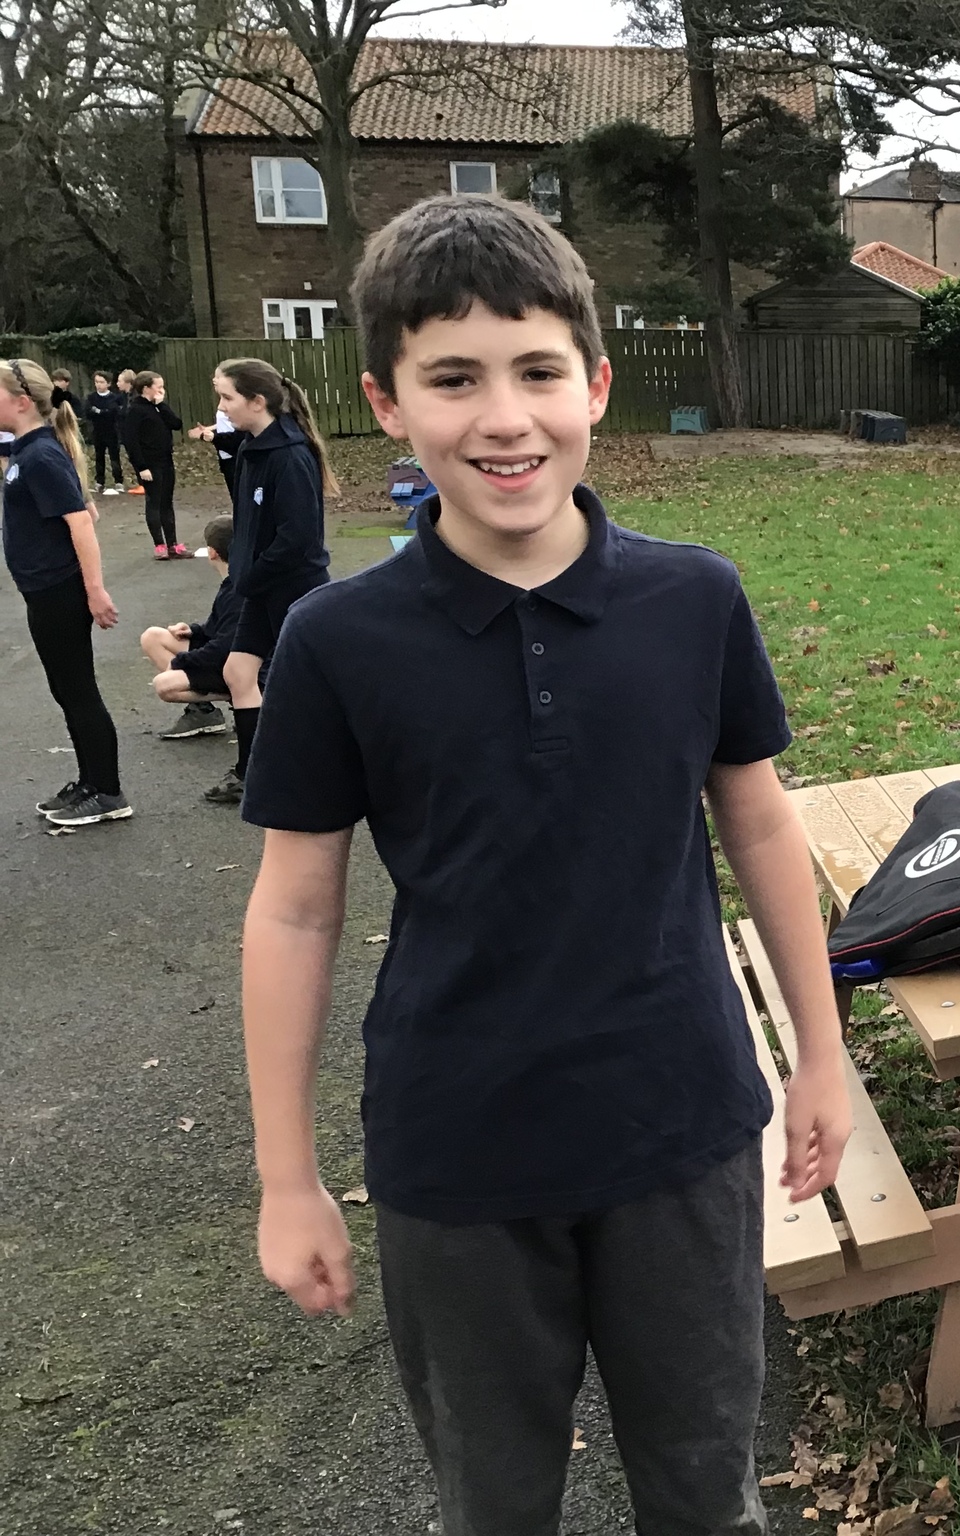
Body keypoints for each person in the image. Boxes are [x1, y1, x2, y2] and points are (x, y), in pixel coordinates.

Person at [238, 192, 851, 1536]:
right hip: (455, 1156)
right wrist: (287, 1176)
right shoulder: (337, 642)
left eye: (537, 371)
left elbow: (758, 824)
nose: (505, 418)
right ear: (388, 403)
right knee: (494, 1504)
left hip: (679, 1130)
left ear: (596, 385)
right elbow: (293, 911)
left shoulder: (695, 599)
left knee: (705, 1492)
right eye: (453, 378)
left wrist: (822, 1050)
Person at [0, 356, 130, 825]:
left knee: (77, 690)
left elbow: (81, 524)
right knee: (66, 689)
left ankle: (108, 792)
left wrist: (94, 591)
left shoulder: (40, 455)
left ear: (21, 402)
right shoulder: (27, 450)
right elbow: (85, 509)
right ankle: (90, 781)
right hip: (42, 591)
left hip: (59, 590)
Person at [208, 357, 335, 806]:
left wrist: (250, 574)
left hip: (293, 588)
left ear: (257, 401)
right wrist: (245, 574)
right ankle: (252, 774)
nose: (221, 408)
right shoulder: (251, 449)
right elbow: (248, 526)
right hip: (261, 587)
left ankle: (325, 775)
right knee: (237, 672)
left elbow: (298, 539)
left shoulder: (291, 455)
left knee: (304, 687)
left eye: (227, 397)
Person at [140, 514, 240, 739]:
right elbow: (218, 628)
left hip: (233, 663)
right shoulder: (231, 582)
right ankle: (203, 710)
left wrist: (182, 663)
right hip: (221, 656)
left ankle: (240, 696)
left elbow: (224, 647)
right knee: (152, 637)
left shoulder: (238, 590)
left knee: (164, 685)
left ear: (212, 552)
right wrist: (193, 630)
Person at [124, 370, 188, 559]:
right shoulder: (135, 409)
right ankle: (159, 545)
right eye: (158, 387)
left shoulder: (158, 407)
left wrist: (162, 405)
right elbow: (131, 441)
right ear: (146, 388)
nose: (162, 390)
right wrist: (141, 467)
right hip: (150, 464)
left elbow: (176, 424)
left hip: (166, 461)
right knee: (154, 502)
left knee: (167, 502)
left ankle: (173, 544)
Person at [188, 406, 248, 495]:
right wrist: (209, 429)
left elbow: (238, 438)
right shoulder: (225, 405)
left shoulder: (242, 405)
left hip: (238, 458)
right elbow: (226, 421)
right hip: (226, 458)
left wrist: (213, 437)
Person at [84, 371, 125, 494]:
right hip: (98, 431)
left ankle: (118, 481)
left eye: (101, 382)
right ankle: (99, 482)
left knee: (114, 457)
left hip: (112, 431)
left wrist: (99, 411)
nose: (98, 384)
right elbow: (88, 412)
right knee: (99, 457)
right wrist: (103, 412)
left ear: (108, 383)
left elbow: (115, 413)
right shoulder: (91, 397)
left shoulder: (115, 398)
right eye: (96, 382)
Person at [115, 369, 144, 494]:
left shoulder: (135, 398)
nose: (117, 384)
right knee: (133, 457)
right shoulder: (123, 397)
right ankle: (141, 483)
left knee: (139, 457)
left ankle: (145, 484)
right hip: (126, 433)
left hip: (136, 434)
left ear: (128, 383)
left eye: (120, 381)